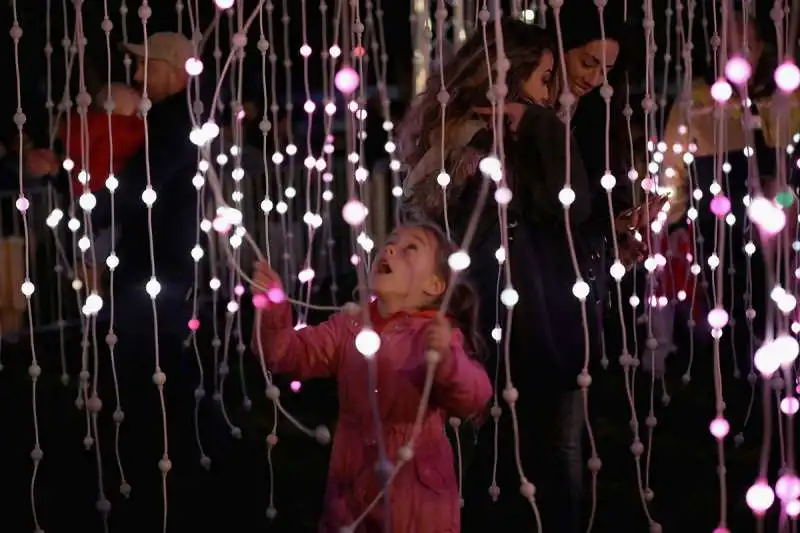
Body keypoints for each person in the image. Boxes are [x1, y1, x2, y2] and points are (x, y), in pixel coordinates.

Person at [397, 12, 659, 533]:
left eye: (606, 69)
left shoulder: (558, 124)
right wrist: (543, 125)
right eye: (586, 62)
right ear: (511, 74)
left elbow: (561, 230)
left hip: (539, 322)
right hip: (507, 332)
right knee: (495, 458)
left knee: (541, 454)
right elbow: (560, 217)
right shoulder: (487, 145)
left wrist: (613, 245)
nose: (595, 79)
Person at [26, 32, 208, 531]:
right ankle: (160, 472)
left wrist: (69, 186)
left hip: (156, 267)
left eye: (147, 65)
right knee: (152, 365)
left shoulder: (174, 124)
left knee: (148, 367)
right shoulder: (172, 120)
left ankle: (159, 481)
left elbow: (133, 190)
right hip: (155, 263)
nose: (137, 75)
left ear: (174, 69)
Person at [251, 222, 493, 533]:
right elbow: (285, 354)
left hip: (415, 504)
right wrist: (273, 307)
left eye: (410, 248)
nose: (390, 249)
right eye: (390, 242)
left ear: (434, 285)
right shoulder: (348, 326)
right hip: (350, 499)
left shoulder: (435, 336)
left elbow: (474, 396)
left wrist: (447, 360)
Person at [59, 82, 145, 293]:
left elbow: (70, 142)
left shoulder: (87, 125)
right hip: (107, 198)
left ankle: (90, 301)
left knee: (90, 254)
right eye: (132, 94)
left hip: (84, 194)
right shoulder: (125, 128)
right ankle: (97, 303)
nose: (138, 96)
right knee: (100, 254)